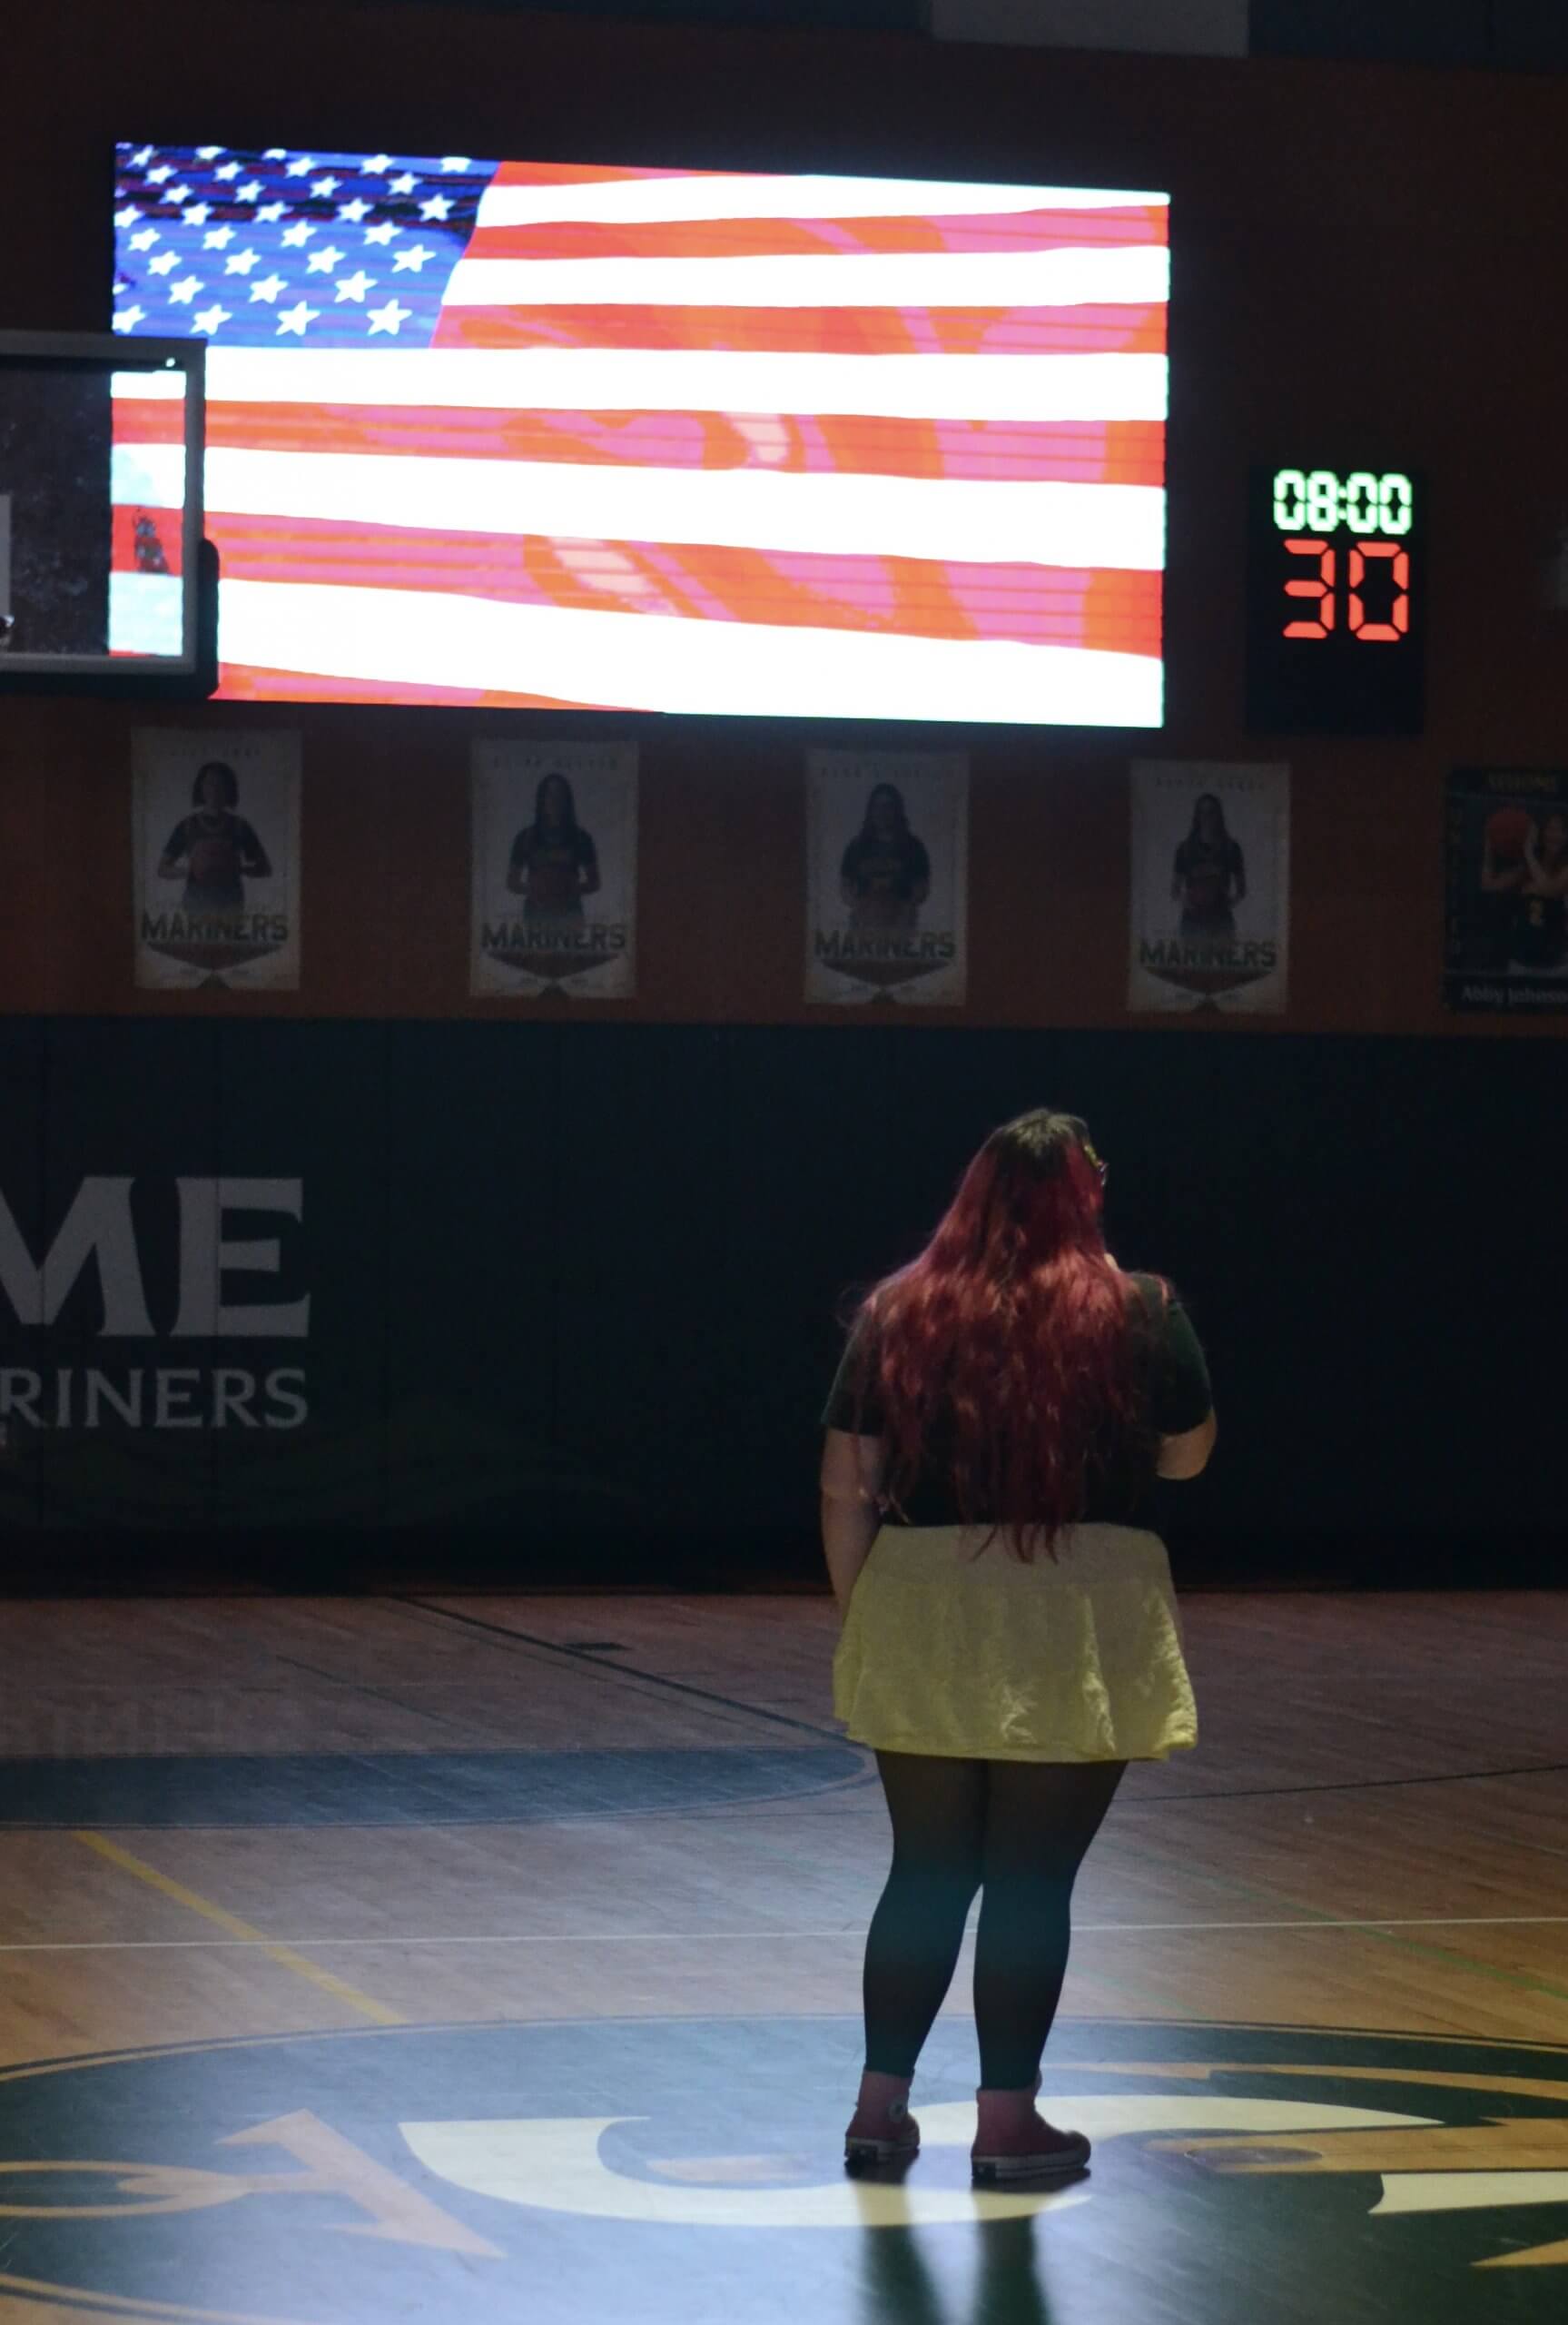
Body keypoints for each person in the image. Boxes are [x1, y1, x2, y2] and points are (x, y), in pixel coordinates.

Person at [823, 1110, 1215, 2186]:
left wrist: (869, 1613)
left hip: (923, 1596)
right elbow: (1185, 1458)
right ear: (1084, 1199)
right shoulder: (1141, 1309)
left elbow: (844, 1483)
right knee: (1031, 1881)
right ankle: (1004, 2124)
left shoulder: (897, 1309)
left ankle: (875, 2111)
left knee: (925, 1868)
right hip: (1080, 1600)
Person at [157, 761, 271, 915]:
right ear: (201, 787)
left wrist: (236, 869)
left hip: (230, 904)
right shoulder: (187, 826)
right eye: (210, 783)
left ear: (229, 789)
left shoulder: (240, 826)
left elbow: (265, 868)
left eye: (220, 784)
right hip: (196, 903)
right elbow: (163, 868)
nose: (215, 789)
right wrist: (190, 871)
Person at [506, 773, 601, 922]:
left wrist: (568, 890)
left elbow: (594, 882)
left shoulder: (581, 839)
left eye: (560, 795)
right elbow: (512, 882)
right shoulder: (525, 838)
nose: (554, 800)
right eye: (549, 794)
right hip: (536, 915)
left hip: (570, 916)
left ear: (567, 800)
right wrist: (536, 890)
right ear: (542, 799)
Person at [840, 784, 932, 935]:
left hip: (901, 925)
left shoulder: (913, 847)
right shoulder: (857, 847)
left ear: (897, 810)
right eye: (877, 806)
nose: (882, 812)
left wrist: (907, 907)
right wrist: (860, 907)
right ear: (870, 811)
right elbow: (845, 885)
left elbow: (922, 886)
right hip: (864, 926)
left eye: (888, 806)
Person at [1171, 793, 1245, 944]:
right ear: (1197, 816)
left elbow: (1241, 889)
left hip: (1221, 922)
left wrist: (1227, 905)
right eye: (1202, 812)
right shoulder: (1185, 849)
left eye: (1211, 812)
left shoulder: (1231, 849)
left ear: (1218, 815)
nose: (1207, 817)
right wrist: (1187, 903)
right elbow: (1175, 889)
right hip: (1193, 922)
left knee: (1222, 957)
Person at [1509, 809, 1568, 974]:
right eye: (1551, 829)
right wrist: (1489, 846)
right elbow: (1489, 884)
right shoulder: (1527, 866)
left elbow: (1550, 890)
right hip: (1522, 959)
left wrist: (1528, 852)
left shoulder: (1565, 868)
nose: (1555, 835)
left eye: (1561, 830)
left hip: (1555, 963)